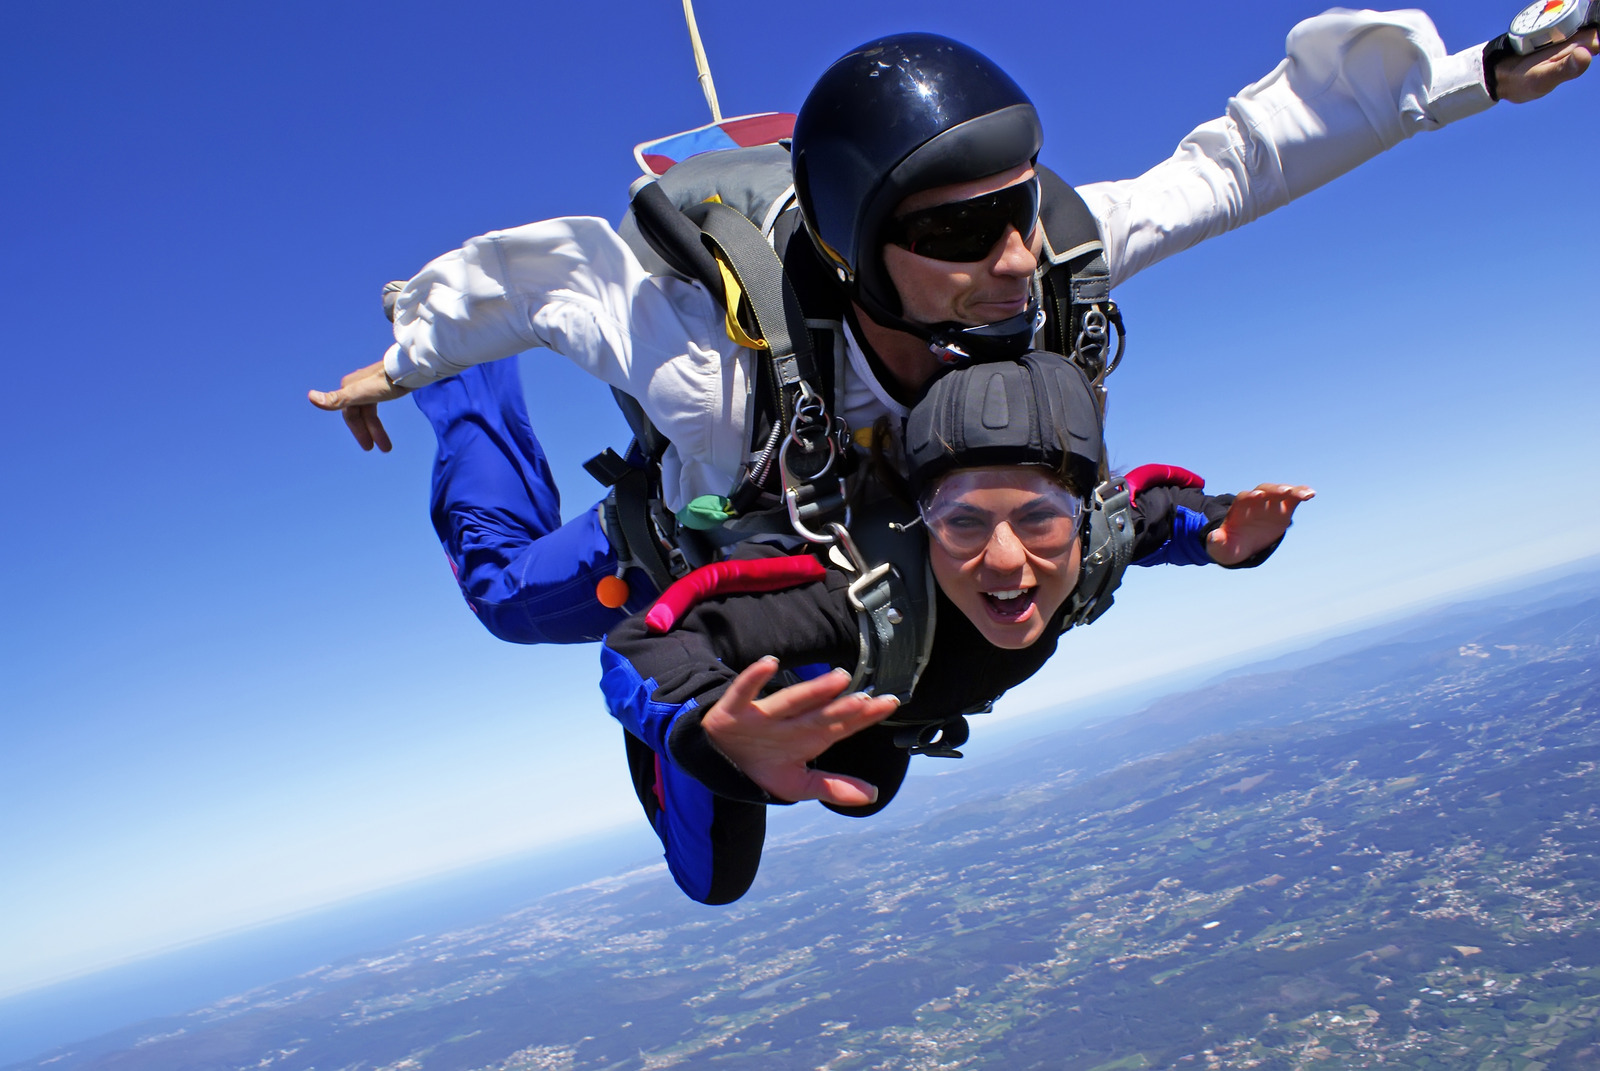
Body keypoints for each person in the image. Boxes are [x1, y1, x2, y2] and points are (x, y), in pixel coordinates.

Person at [308, 11, 1594, 646]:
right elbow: (555, 287)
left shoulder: (1048, 269)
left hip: (896, 521)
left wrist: (1470, 77)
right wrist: (415, 354)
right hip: (730, 522)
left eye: (1019, 209)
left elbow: (1243, 163)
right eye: (966, 234)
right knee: (501, 592)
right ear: (862, 253)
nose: (1017, 258)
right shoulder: (713, 370)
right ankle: (460, 412)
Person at [598, 351, 1314, 903]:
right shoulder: (854, 597)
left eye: (1040, 517)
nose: (1007, 559)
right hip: (784, 676)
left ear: (1082, 516)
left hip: (890, 704)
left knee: (868, 785)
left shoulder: (1098, 540)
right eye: (962, 522)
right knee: (713, 879)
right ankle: (481, 378)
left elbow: (1167, 508)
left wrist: (1228, 536)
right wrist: (700, 728)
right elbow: (647, 642)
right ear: (920, 522)